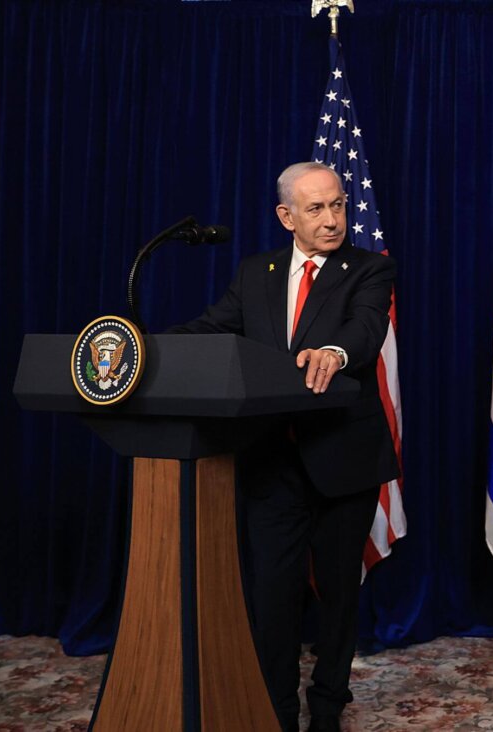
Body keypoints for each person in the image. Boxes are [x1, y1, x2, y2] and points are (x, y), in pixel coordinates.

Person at [169, 161, 398, 732]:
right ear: (286, 216)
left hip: (344, 457)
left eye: (338, 204)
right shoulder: (255, 273)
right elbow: (211, 328)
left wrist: (335, 354)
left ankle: (326, 713)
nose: (332, 218)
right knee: (272, 598)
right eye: (316, 208)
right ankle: (276, 714)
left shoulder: (368, 268)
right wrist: (142, 346)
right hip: (271, 461)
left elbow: (366, 330)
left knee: (341, 595)